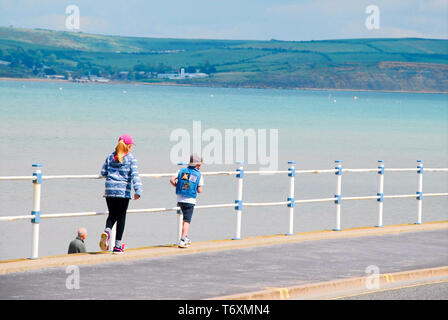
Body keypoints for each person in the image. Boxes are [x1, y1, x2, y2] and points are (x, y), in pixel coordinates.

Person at [99, 134, 142, 254]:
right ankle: (117, 246)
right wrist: (138, 190)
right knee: (121, 217)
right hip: (123, 192)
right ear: (128, 146)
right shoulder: (131, 159)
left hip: (109, 190)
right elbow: (135, 175)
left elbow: (103, 172)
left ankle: (107, 231)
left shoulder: (110, 156)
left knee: (112, 215)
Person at [170, 154, 204, 248]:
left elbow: (172, 180)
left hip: (180, 199)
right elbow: (199, 190)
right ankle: (182, 240)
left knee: (184, 218)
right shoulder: (199, 175)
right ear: (198, 165)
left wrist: (177, 186)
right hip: (190, 200)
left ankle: (185, 236)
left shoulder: (181, 170)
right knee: (187, 221)